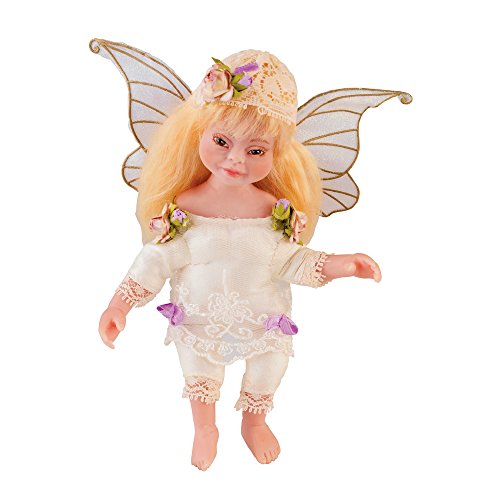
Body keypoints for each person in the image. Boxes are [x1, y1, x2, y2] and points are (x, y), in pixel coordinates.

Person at [98, 49, 381, 471]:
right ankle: (205, 427)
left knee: (270, 365)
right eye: (222, 142)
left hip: (261, 315)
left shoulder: (274, 211)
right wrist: (120, 304)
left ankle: (255, 421)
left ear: (276, 154)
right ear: (200, 133)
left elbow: (289, 260)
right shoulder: (185, 207)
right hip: (200, 313)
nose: (235, 159)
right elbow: (158, 257)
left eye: (256, 151)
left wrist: (342, 265)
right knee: (199, 370)